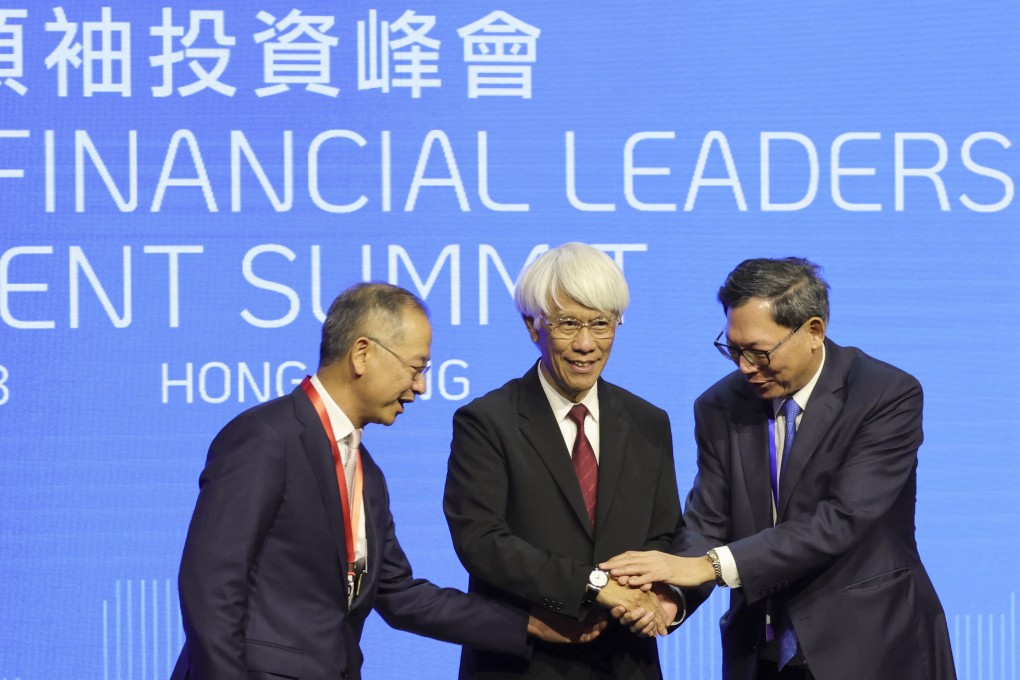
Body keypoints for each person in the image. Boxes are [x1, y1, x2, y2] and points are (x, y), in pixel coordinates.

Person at [171, 282, 604, 680]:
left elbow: (400, 595)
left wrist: (528, 625)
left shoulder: (367, 473)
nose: (421, 386)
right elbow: (210, 585)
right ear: (362, 353)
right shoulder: (266, 438)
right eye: (415, 367)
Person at [603, 258, 956, 680]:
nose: (745, 367)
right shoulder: (719, 406)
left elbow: (840, 519)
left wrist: (708, 567)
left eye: (759, 351)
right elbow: (709, 521)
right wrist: (673, 595)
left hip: (872, 648)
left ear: (814, 331)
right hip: (760, 655)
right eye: (733, 349)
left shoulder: (884, 395)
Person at [443, 242, 686, 680]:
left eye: (601, 323)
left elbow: (665, 534)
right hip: (524, 663)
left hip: (626, 662)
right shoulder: (487, 422)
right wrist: (592, 586)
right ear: (532, 326)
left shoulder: (649, 421)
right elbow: (482, 541)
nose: (586, 344)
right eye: (568, 324)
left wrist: (652, 597)